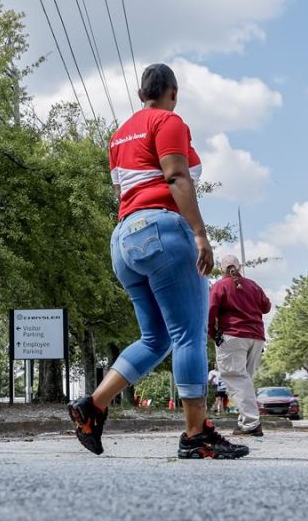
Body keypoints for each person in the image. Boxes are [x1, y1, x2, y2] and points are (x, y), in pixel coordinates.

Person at [67, 64, 249, 459]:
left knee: (156, 339)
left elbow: (121, 189)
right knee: (187, 334)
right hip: (162, 233)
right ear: (174, 92)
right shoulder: (168, 121)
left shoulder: (119, 136)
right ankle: (195, 434)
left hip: (124, 240)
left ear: (139, 94)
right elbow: (177, 177)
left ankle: (92, 406)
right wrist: (200, 234)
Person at [209, 255, 271, 436]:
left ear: (222, 269)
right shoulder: (253, 285)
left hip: (233, 336)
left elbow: (211, 310)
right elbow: (266, 307)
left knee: (235, 377)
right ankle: (245, 422)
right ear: (239, 267)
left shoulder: (219, 286)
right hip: (257, 338)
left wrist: (212, 334)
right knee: (245, 380)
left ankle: (251, 423)